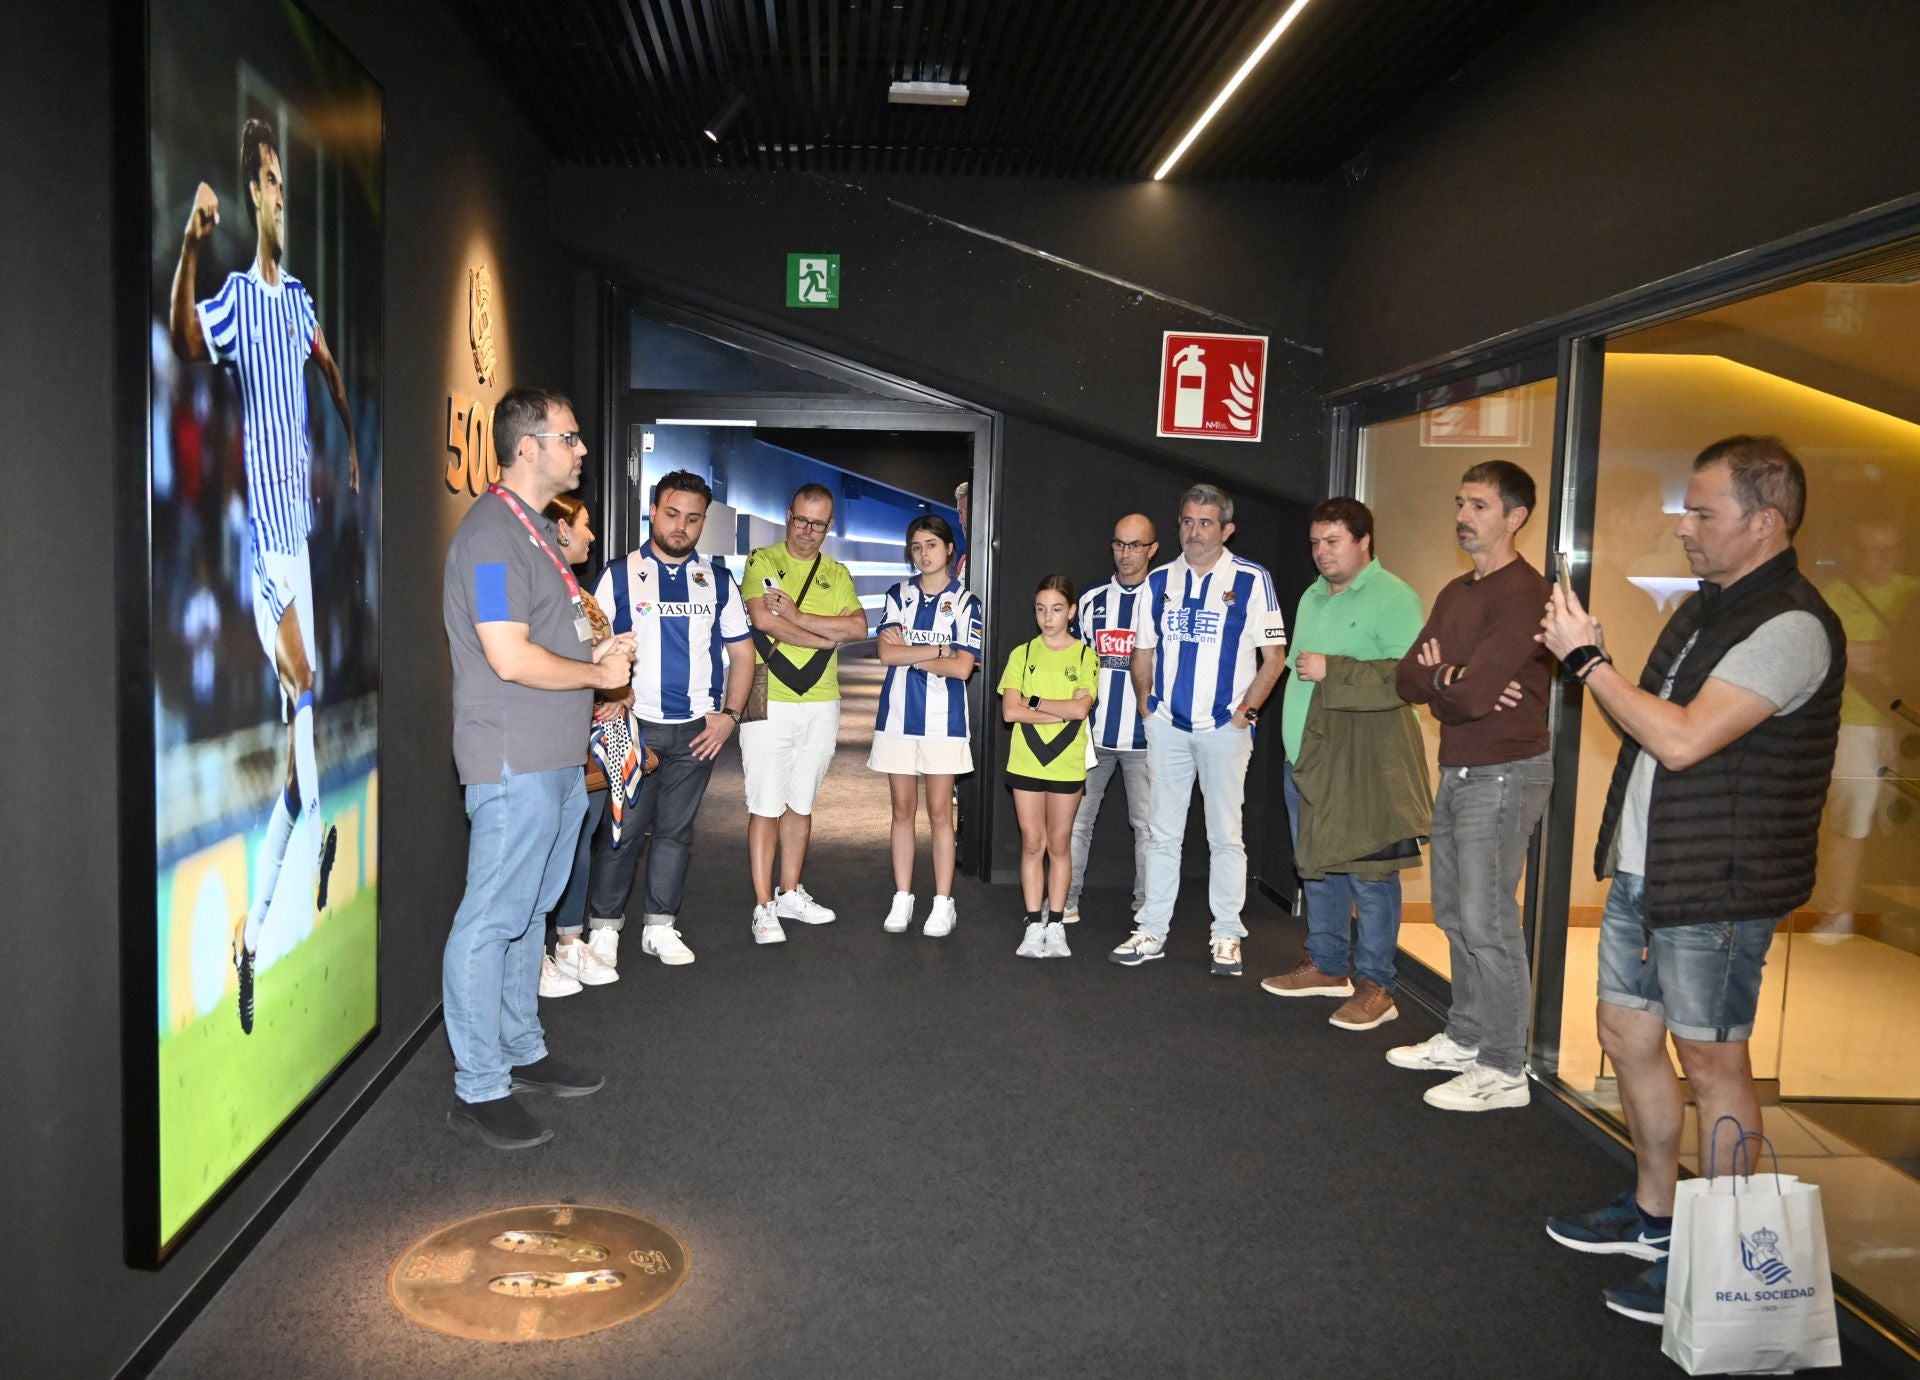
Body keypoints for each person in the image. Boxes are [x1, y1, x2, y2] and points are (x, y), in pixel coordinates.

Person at [1541, 437, 1845, 1324]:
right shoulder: (1709, 609)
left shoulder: (1790, 624)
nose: (1684, 526)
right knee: (1628, 1037)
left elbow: (1679, 738)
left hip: (1718, 885)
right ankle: (1657, 1217)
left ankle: (1725, 1262)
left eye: (1704, 512)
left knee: (1712, 1064)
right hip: (1652, 872)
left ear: (1765, 522)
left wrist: (1588, 662)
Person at [170, 117, 360, 1035]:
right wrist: (190, 249)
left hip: (307, 555)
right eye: (272, 182)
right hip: (269, 561)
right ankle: (307, 867)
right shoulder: (241, 298)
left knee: (295, 779)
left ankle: (248, 941)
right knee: (311, 707)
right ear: (253, 197)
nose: (281, 194)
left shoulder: (302, 301)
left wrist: (352, 442)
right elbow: (182, 338)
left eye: (285, 181)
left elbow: (324, 363)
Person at [440, 389, 634, 1149]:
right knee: (491, 919)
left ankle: (520, 1049)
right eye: (571, 438)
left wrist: (596, 660)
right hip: (512, 758)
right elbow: (508, 655)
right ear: (529, 448)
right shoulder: (491, 538)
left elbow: (545, 644)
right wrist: (595, 673)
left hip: (553, 758)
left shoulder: (536, 536)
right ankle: (477, 1084)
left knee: (529, 913)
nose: (582, 450)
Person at [1387, 461, 1554, 1111]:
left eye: (1480, 505)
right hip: (1458, 766)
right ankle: (1466, 1037)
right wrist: (1450, 681)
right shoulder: (1458, 593)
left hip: (1506, 772)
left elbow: (1480, 694)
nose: (1464, 515)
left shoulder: (1525, 595)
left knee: (1489, 922)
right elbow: (1407, 679)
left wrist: (1448, 680)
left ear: (1515, 517)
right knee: (1455, 914)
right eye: (1461, 502)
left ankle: (1505, 1067)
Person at [1262, 499, 1428, 1031]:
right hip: (1306, 761)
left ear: (1364, 542)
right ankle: (1328, 966)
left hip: (1363, 765)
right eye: (1315, 543)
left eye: (1332, 542)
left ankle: (1378, 984)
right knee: (1318, 866)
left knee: (1370, 875)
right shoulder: (1311, 596)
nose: (1321, 553)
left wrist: (1334, 668)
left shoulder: (1394, 596)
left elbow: (1409, 679)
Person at [1111, 484, 1287, 976]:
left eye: (1205, 523)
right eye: (1187, 521)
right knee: (1161, 833)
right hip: (1168, 726)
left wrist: (1247, 713)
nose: (1194, 531)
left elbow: (1275, 658)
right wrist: (1147, 704)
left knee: (1225, 835)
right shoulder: (1160, 581)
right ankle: (1152, 930)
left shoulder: (1253, 580)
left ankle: (1227, 934)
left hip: (1224, 730)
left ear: (1226, 529)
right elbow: (1141, 648)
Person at [584, 470, 754, 966]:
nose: (681, 526)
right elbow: (587, 641)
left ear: (704, 523)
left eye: (693, 518)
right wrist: (609, 691)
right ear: (653, 512)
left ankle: (660, 925)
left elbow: (743, 654)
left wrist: (729, 716)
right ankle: (604, 928)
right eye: (672, 513)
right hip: (634, 728)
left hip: (698, 731)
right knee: (622, 830)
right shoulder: (617, 574)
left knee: (677, 832)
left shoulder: (719, 581)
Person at [740, 484, 869, 945]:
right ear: (787, 514)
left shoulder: (837, 572)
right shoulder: (762, 560)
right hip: (766, 694)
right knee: (764, 803)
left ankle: (790, 891)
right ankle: (763, 906)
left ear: (829, 526)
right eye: (801, 520)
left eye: (818, 524)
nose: (807, 532)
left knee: (801, 802)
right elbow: (762, 620)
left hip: (821, 699)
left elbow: (858, 627)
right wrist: (822, 635)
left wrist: (797, 614)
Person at [871, 515, 981, 936]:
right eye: (916, 546)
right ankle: (903, 896)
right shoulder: (898, 594)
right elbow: (885, 653)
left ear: (949, 549)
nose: (923, 553)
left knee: (939, 813)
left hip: (944, 721)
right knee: (902, 810)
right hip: (897, 716)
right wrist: (937, 646)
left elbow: (962, 668)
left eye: (931, 544)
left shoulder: (967, 602)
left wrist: (911, 651)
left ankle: (942, 901)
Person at [1813, 517, 1915, 939]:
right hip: (1852, 720)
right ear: (1853, 553)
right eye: (1870, 550)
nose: (1880, 560)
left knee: (1905, 824)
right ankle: (1840, 912)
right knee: (1851, 816)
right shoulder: (1831, 598)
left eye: (1888, 550)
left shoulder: (1912, 591)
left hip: (1905, 723)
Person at [541, 493, 622, 996]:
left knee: (582, 833)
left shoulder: (574, 588)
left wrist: (618, 691)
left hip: (587, 734)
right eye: (585, 525)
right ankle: (533, 953)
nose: (592, 535)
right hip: (547, 737)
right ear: (561, 529)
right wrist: (600, 670)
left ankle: (570, 941)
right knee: (545, 845)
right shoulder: (540, 586)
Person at [1062, 514, 1158, 926]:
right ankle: (1066, 899)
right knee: (1077, 822)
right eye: (1120, 544)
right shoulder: (1091, 599)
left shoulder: (1166, 599)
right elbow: (1075, 662)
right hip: (1095, 734)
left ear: (1152, 550)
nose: (1126, 553)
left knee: (1149, 829)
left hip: (1147, 737)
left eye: (1135, 545)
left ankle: (1148, 909)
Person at [1000, 576, 1100, 958]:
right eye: (1041, 608)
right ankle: (1032, 922)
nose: (1047, 617)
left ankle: (1056, 923)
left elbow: (1080, 710)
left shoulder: (1085, 656)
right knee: (1032, 842)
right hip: (1026, 760)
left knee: (1059, 843)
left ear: (1071, 611)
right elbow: (1010, 712)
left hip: (1067, 764)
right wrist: (1057, 709)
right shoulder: (1022, 654)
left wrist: (1035, 702)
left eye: (1057, 609)